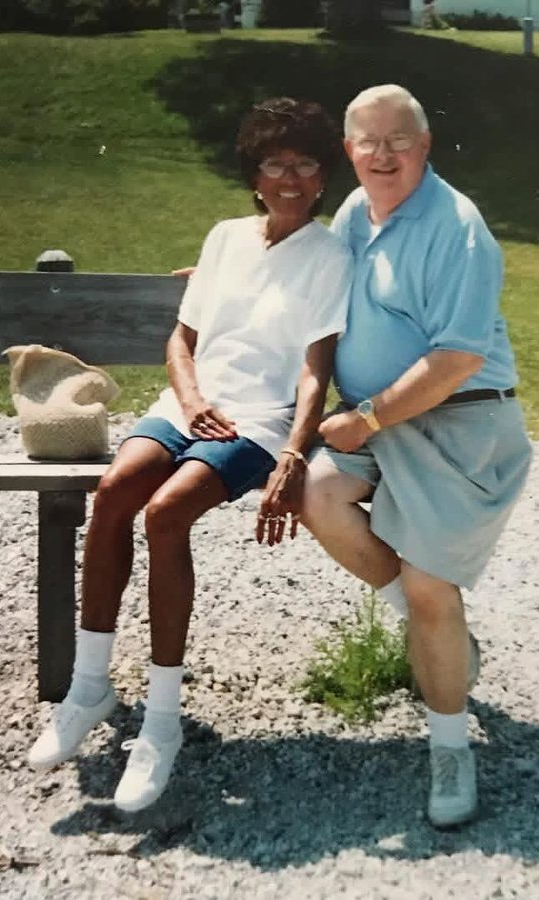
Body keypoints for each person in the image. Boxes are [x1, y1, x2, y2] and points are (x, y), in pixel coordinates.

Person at [26, 98, 351, 813]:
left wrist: (295, 452)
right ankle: (90, 689)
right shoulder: (226, 237)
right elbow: (181, 339)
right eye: (275, 163)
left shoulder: (330, 256)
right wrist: (191, 397)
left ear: (323, 176)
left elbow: (313, 370)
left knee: (166, 515)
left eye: (304, 163)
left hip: (257, 426)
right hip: (188, 408)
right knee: (115, 494)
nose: (290, 177)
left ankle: (163, 723)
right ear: (254, 174)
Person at [301, 84, 532, 828]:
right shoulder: (353, 215)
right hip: (379, 428)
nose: (382, 155)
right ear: (349, 152)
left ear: (425, 146)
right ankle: (442, 638)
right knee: (319, 495)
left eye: (398, 140)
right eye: (367, 142)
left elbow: (459, 359)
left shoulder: (457, 227)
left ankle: (449, 748)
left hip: (459, 423)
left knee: (433, 588)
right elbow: (307, 286)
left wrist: (366, 416)